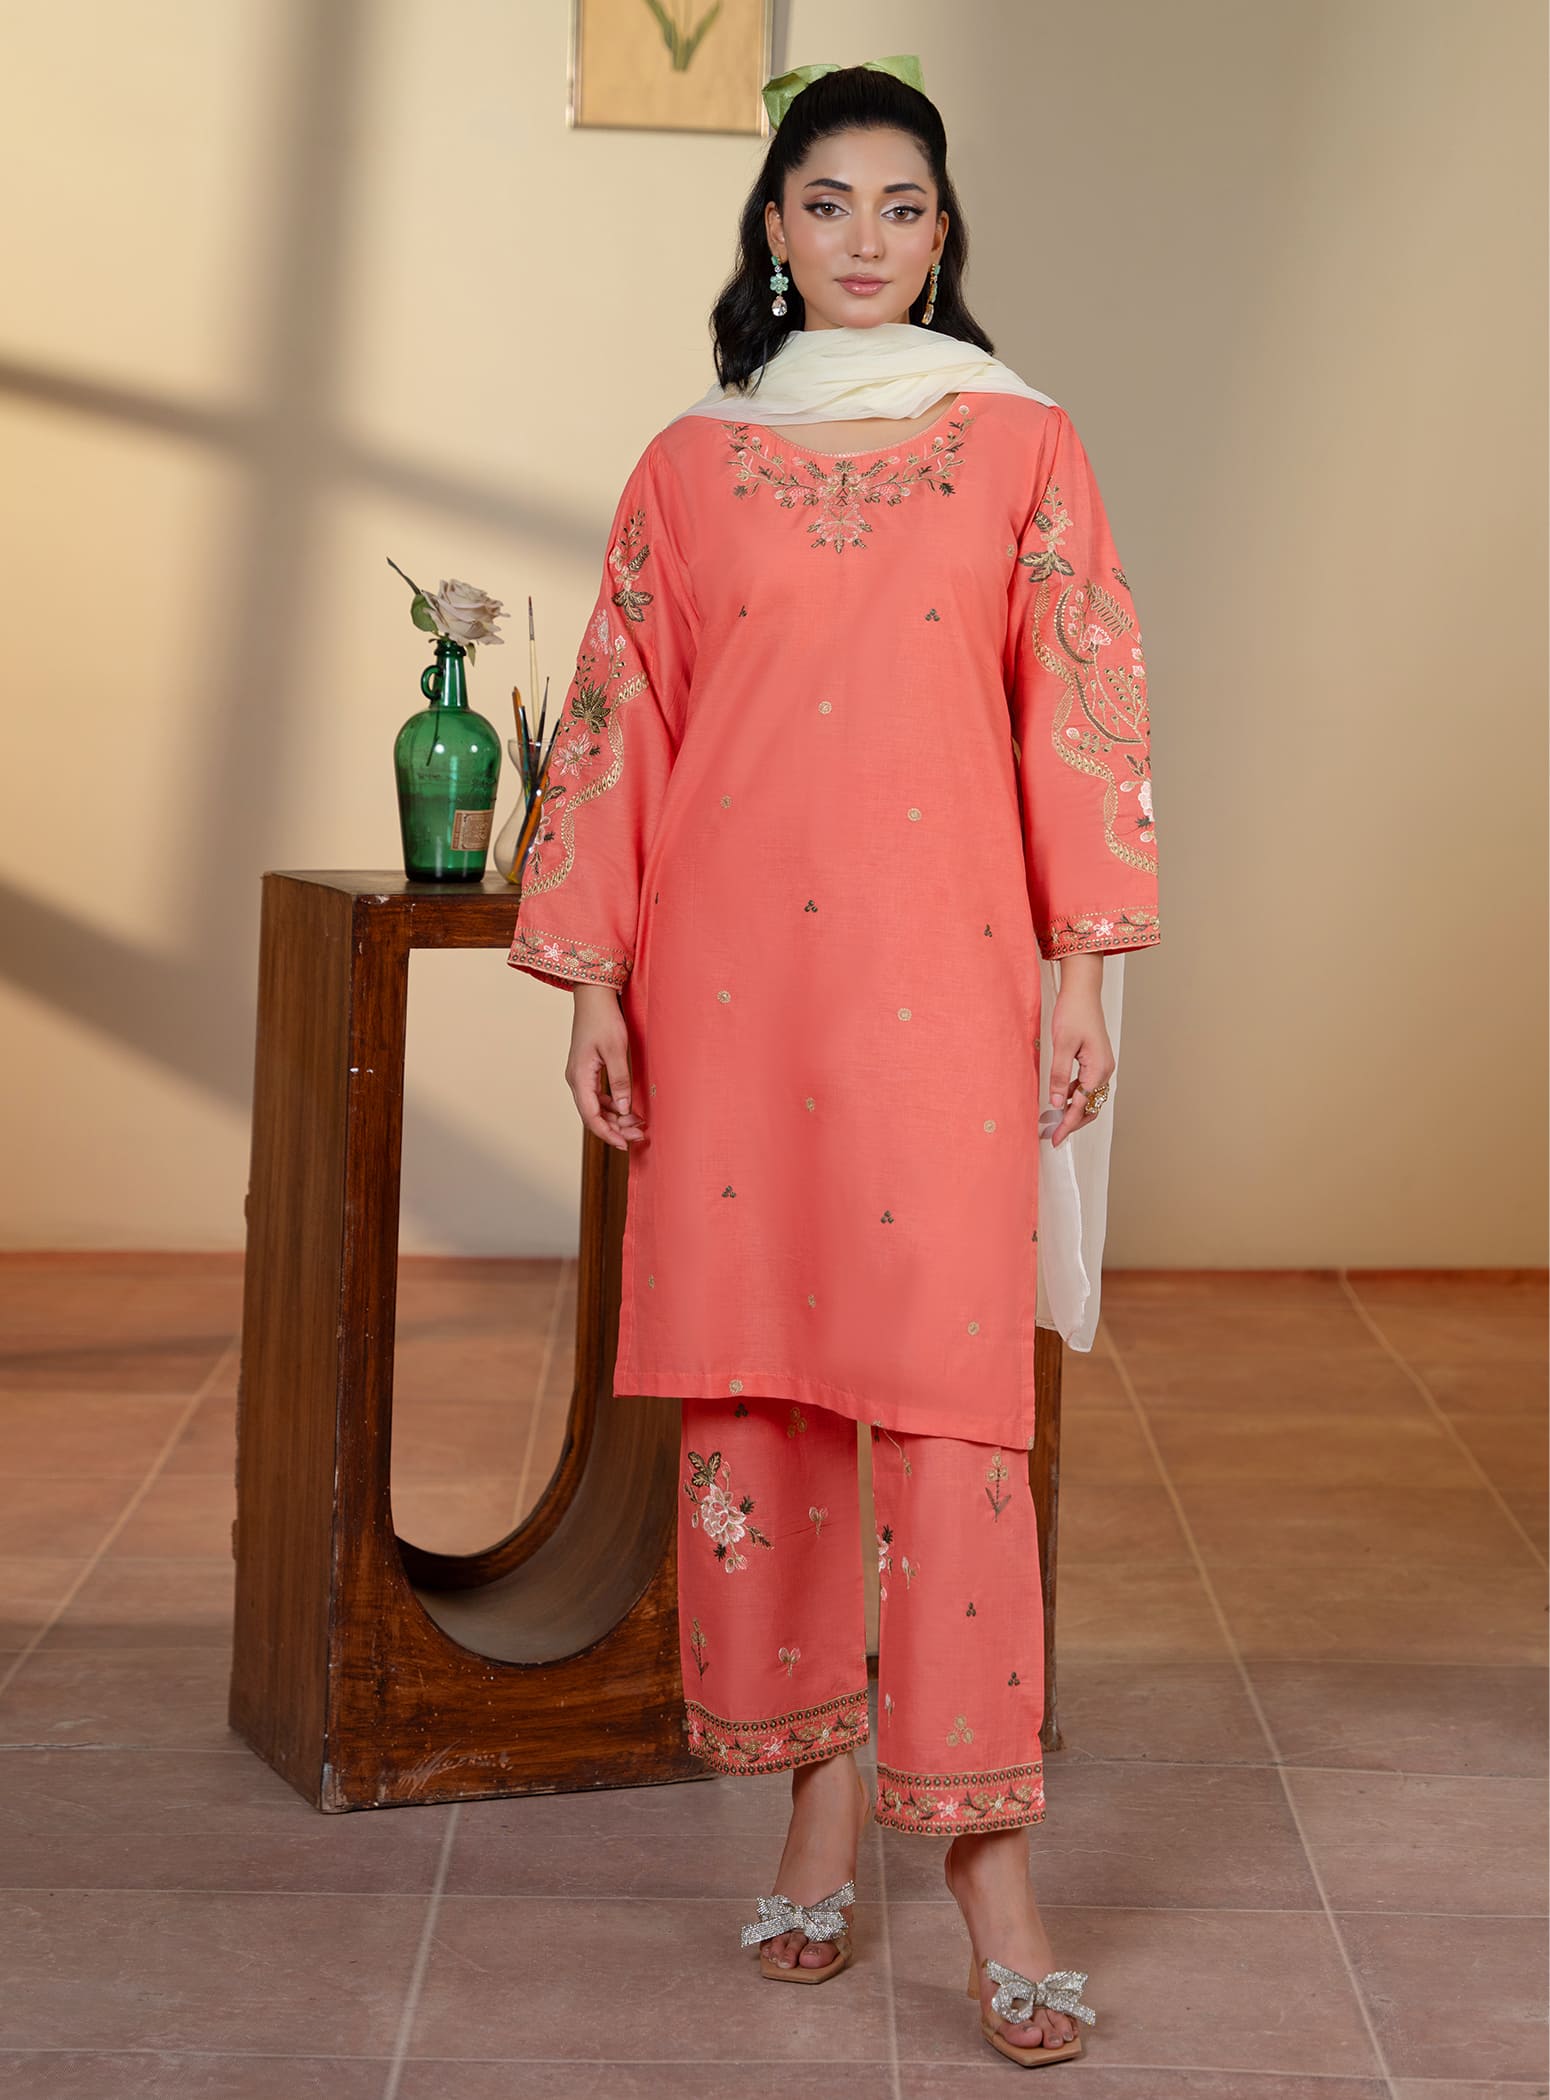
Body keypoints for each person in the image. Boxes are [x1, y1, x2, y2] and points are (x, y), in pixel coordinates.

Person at [508, 52, 1159, 2071]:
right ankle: (809, 1790)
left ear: (942, 234)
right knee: (761, 1393)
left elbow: (1080, 700)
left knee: (953, 1413)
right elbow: (619, 715)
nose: (863, 239)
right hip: (731, 990)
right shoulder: (691, 463)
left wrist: (1079, 965)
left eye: (900, 205)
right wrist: (596, 983)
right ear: (772, 232)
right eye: (824, 203)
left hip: (945, 979)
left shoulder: (1022, 442)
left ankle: (985, 1863)